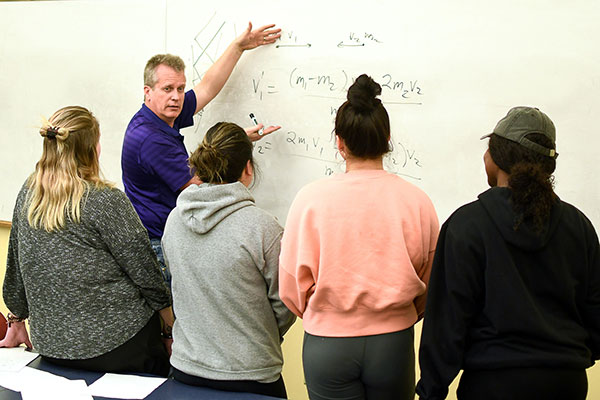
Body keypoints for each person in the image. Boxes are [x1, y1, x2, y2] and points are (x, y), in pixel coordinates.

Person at [416, 106, 600, 400]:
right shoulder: (579, 226)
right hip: (567, 383)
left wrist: (431, 391)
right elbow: (595, 312)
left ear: (497, 158)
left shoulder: (466, 225)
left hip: (492, 385)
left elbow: (447, 323)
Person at [278, 74, 440, 400]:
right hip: (393, 342)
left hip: (327, 343)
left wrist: (325, 313)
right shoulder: (416, 201)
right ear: (387, 138)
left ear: (340, 143)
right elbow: (431, 278)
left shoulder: (310, 200)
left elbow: (292, 287)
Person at [1, 106, 174, 376]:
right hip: (120, 346)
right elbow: (146, 273)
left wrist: (17, 319)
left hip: (52, 347)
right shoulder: (104, 200)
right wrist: (169, 327)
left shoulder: (28, 192)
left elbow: (16, 265)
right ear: (91, 148)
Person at [121, 22, 281, 287]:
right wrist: (236, 143)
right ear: (147, 92)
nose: (176, 97)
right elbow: (202, 185)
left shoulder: (162, 116)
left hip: (171, 234)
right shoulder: (149, 137)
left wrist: (238, 47)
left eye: (180, 89)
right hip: (159, 244)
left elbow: (207, 88)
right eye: (167, 89)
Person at [161, 122, 296, 398]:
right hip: (252, 376)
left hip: (187, 373)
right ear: (248, 169)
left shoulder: (174, 221)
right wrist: (258, 335)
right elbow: (286, 302)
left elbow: (177, 285)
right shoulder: (263, 228)